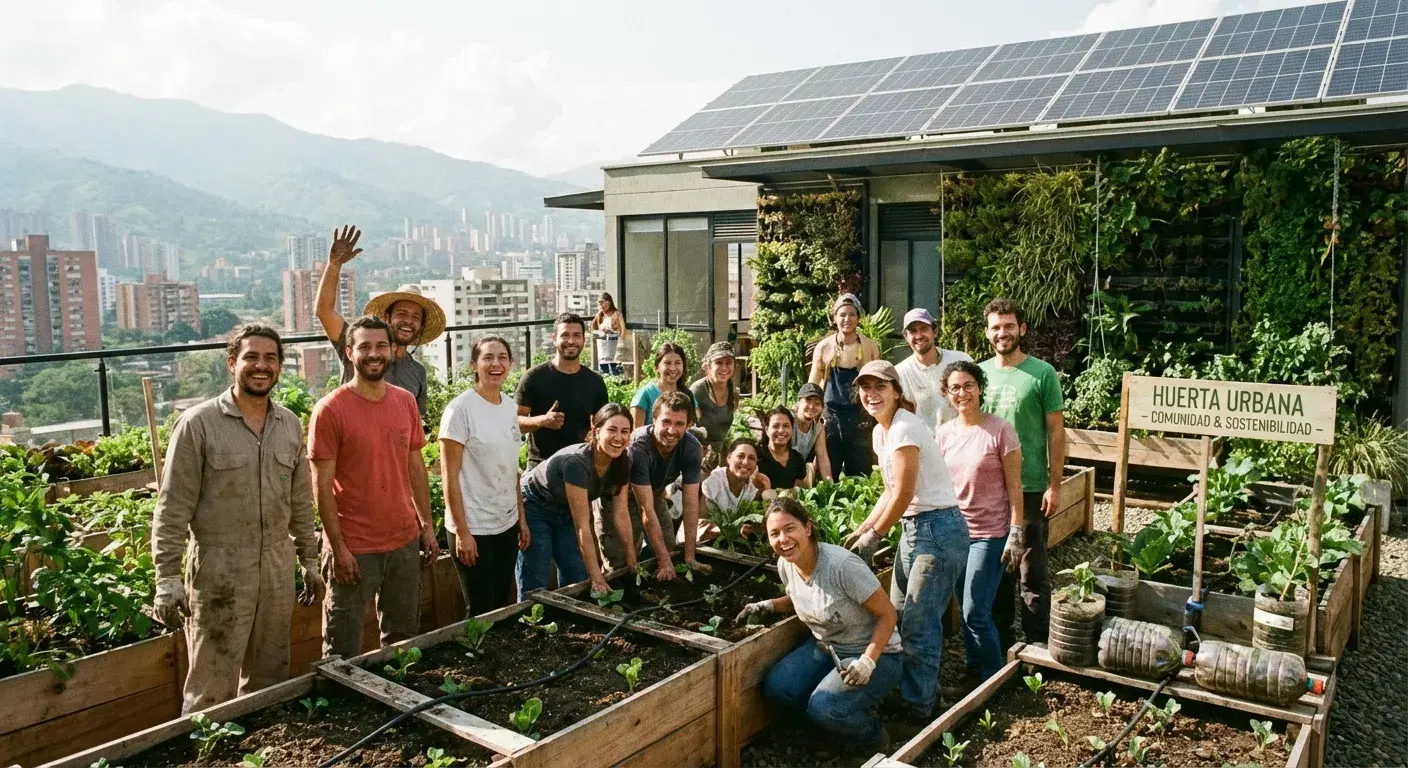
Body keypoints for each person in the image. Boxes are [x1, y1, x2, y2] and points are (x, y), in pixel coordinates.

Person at [151, 325, 323, 713]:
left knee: (270, 680)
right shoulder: (198, 425)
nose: (261, 366)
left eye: (271, 358)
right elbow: (172, 506)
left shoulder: (289, 425)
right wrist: (167, 578)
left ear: (280, 366)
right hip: (220, 569)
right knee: (211, 686)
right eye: (251, 357)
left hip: (277, 569)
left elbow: (300, 503)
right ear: (233, 363)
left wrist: (309, 562)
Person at [309, 316, 440, 659]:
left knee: (402, 638)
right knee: (342, 644)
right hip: (355, 546)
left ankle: (400, 705)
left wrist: (425, 526)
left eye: (381, 346)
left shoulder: (404, 402)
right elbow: (321, 487)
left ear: (392, 351)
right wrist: (338, 548)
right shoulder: (330, 410)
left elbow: (415, 469)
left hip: (402, 541)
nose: (374, 353)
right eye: (364, 347)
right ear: (349, 353)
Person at [844, 360, 967, 720]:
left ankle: (920, 707)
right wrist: (863, 528)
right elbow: (889, 490)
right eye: (865, 388)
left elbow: (905, 493)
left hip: (939, 530)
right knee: (895, 615)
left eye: (880, 386)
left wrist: (876, 536)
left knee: (919, 622)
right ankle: (909, 689)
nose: (871, 394)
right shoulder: (881, 432)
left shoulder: (904, 428)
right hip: (916, 529)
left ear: (897, 391)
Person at [737, 498, 901, 751]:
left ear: (808, 528)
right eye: (774, 533)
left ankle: (874, 737)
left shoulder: (842, 566)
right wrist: (768, 605)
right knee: (778, 688)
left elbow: (888, 614)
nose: (783, 539)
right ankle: (830, 727)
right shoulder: (787, 564)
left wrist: (868, 661)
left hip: (877, 654)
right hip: (828, 647)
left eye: (790, 528)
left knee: (825, 706)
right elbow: (803, 596)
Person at [978, 298, 1064, 649]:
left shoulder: (1042, 373)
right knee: (998, 566)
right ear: (987, 333)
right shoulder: (979, 374)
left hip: (1029, 485)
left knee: (1031, 568)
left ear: (1022, 329)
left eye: (1009, 326)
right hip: (989, 488)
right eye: (996, 327)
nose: (1003, 333)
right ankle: (1001, 639)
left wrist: (1054, 485)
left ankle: (1036, 640)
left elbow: (1056, 431)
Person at [936, 360, 1025, 682]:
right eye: (955, 388)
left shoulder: (1000, 430)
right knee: (967, 609)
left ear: (980, 388)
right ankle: (975, 672)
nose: (963, 393)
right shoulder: (944, 434)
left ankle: (992, 675)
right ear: (947, 395)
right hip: (956, 533)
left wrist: (1016, 531)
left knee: (975, 610)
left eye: (968, 385)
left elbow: (1015, 485)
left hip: (991, 533)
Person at [439, 335, 530, 617]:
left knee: (502, 601)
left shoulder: (507, 407)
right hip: (474, 528)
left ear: (511, 363)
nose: (496, 364)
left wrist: (521, 520)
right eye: (488, 358)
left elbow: (511, 470)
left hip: (505, 523)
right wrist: (462, 534)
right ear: (474, 365)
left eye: (502, 357)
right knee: (480, 608)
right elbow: (449, 477)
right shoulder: (459, 410)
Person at [316, 225, 446, 421]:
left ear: (420, 327)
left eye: (415, 317)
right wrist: (334, 265)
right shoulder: (362, 347)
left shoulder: (417, 372)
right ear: (387, 318)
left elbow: (416, 426)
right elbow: (324, 311)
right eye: (401, 313)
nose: (408, 321)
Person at [518, 403, 638, 595]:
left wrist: (632, 560)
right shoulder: (577, 463)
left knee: (576, 573)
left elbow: (621, 513)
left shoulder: (623, 461)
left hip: (563, 507)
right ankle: (527, 622)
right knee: (537, 574)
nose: (619, 437)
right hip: (535, 504)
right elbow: (582, 525)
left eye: (625, 431)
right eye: (612, 430)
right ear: (596, 431)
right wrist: (597, 578)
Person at [599, 391, 711, 577]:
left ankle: (650, 579)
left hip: (655, 493)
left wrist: (690, 558)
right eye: (666, 422)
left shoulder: (692, 448)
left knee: (668, 547)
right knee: (619, 563)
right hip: (618, 498)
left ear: (688, 425)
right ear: (654, 419)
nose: (671, 430)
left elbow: (691, 504)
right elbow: (646, 510)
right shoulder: (639, 446)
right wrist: (664, 560)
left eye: (679, 424)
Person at [516, 313, 610, 471]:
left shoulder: (595, 381)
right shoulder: (534, 377)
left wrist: (595, 435)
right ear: (554, 338)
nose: (571, 341)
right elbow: (514, 422)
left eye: (576, 335)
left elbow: (603, 422)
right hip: (542, 466)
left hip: (581, 463)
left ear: (584, 340)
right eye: (565, 335)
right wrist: (543, 421)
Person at [809, 293, 880, 478]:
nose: (847, 319)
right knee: (827, 467)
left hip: (860, 416)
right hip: (830, 416)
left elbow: (876, 383)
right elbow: (813, 383)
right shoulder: (824, 347)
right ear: (835, 318)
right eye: (842, 315)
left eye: (851, 314)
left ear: (858, 318)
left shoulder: (870, 346)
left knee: (860, 468)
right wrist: (807, 407)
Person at [894, 308, 973, 435]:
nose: (919, 336)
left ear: (934, 331)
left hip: (960, 438)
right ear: (905, 336)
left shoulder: (961, 360)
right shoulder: (900, 373)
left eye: (924, 329)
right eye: (913, 331)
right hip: (922, 445)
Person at [693, 437, 773, 545]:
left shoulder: (751, 487)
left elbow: (756, 524)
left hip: (727, 544)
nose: (745, 462)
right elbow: (700, 522)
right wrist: (733, 530)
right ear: (729, 458)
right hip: (699, 543)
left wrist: (765, 491)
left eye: (751, 458)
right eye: (740, 456)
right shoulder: (714, 481)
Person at [630, 342, 697, 429]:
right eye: (667, 363)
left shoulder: (688, 395)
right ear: (657, 367)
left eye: (677, 363)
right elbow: (636, 433)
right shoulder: (645, 394)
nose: (673, 368)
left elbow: (691, 428)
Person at [689, 342, 738, 461]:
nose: (724, 368)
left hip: (723, 455)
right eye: (718, 362)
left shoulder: (733, 391)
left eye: (728, 362)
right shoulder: (697, 391)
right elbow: (688, 428)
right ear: (708, 366)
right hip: (699, 454)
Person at [757, 408, 810, 491]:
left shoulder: (798, 458)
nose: (781, 430)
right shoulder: (757, 456)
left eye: (786, 426)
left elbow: (797, 493)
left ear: (792, 429)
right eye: (775, 426)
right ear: (766, 430)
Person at [792, 382, 833, 484]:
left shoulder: (818, 427)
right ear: (798, 403)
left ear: (822, 408)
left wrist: (830, 484)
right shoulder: (788, 421)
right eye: (808, 400)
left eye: (817, 403)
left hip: (799, 471)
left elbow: (822, 455)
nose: (811, 406)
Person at [590, 292, 626, 376]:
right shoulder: (600, 314)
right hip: (602, 345)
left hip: (615, 344)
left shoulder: (617, 314)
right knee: (603, 367)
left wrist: (621, 342)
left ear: (609, 302)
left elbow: (623, 330)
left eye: (603, 303)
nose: (601, 306)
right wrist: (598, 333)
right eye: (599, 304)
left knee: (616, 367)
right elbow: (592, 326)